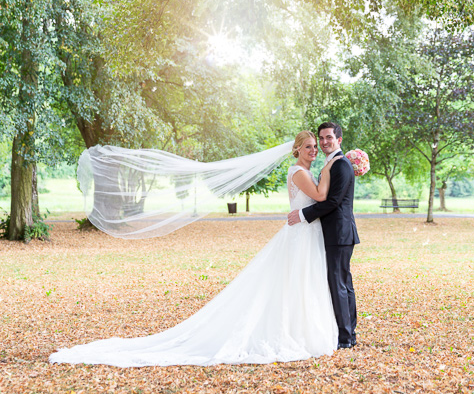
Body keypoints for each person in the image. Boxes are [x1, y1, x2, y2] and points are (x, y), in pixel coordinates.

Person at [49, 131, 342, 367]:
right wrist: (332, 165)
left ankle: (300, 327)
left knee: (302, 282)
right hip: (300, 234)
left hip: (304, 232)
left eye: (316, 147)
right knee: (297, 280)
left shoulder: (304, 169)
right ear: (297, 150)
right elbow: (319, 195)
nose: (314, 150)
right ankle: (296, 331)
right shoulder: (300, 172)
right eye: (308, 146)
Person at [287, 122, 360, 350]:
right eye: (322, 138)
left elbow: (332, 201)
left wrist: (302, 214)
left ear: (339, 139)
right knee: (342, 283)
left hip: (338, 233)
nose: (324, 142)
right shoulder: (333, 164)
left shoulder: (339, 165)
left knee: (339, 284)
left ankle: (346, 337)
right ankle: (348, 333)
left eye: (329, 137)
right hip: (334, 233)